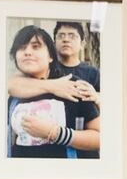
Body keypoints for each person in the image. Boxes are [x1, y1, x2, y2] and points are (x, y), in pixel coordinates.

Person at [6, 25, 100, 159]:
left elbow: (99, 138)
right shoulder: (16, 92)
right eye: (21, 48)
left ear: (51, 56)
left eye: (36, 46)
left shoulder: (72, 85)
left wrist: (55, 133)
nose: (27, 52)